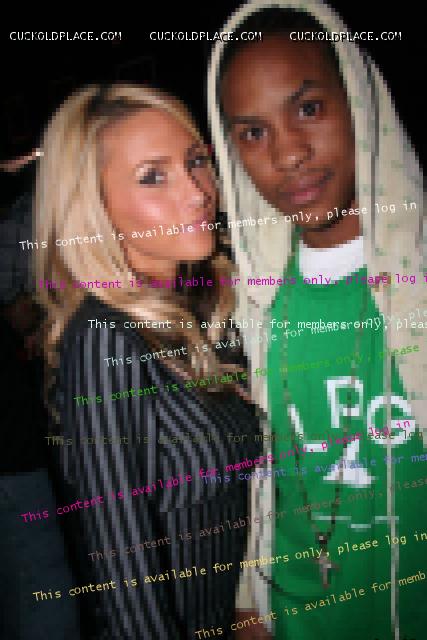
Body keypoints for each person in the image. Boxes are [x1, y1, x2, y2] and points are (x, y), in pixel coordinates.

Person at [208, 2, 426, 638]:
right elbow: (258, 475)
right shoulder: (245, 308)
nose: (289, 153)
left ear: (358, 101)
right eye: (253, 132)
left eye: (308, 108)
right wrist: (248, 597)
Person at [35, 83, 260, 639]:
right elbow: (123, 570)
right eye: (153, 176)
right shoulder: (105, 338)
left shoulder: (204, 310)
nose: (197, 192)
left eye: (196, 162)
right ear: (95, 207)